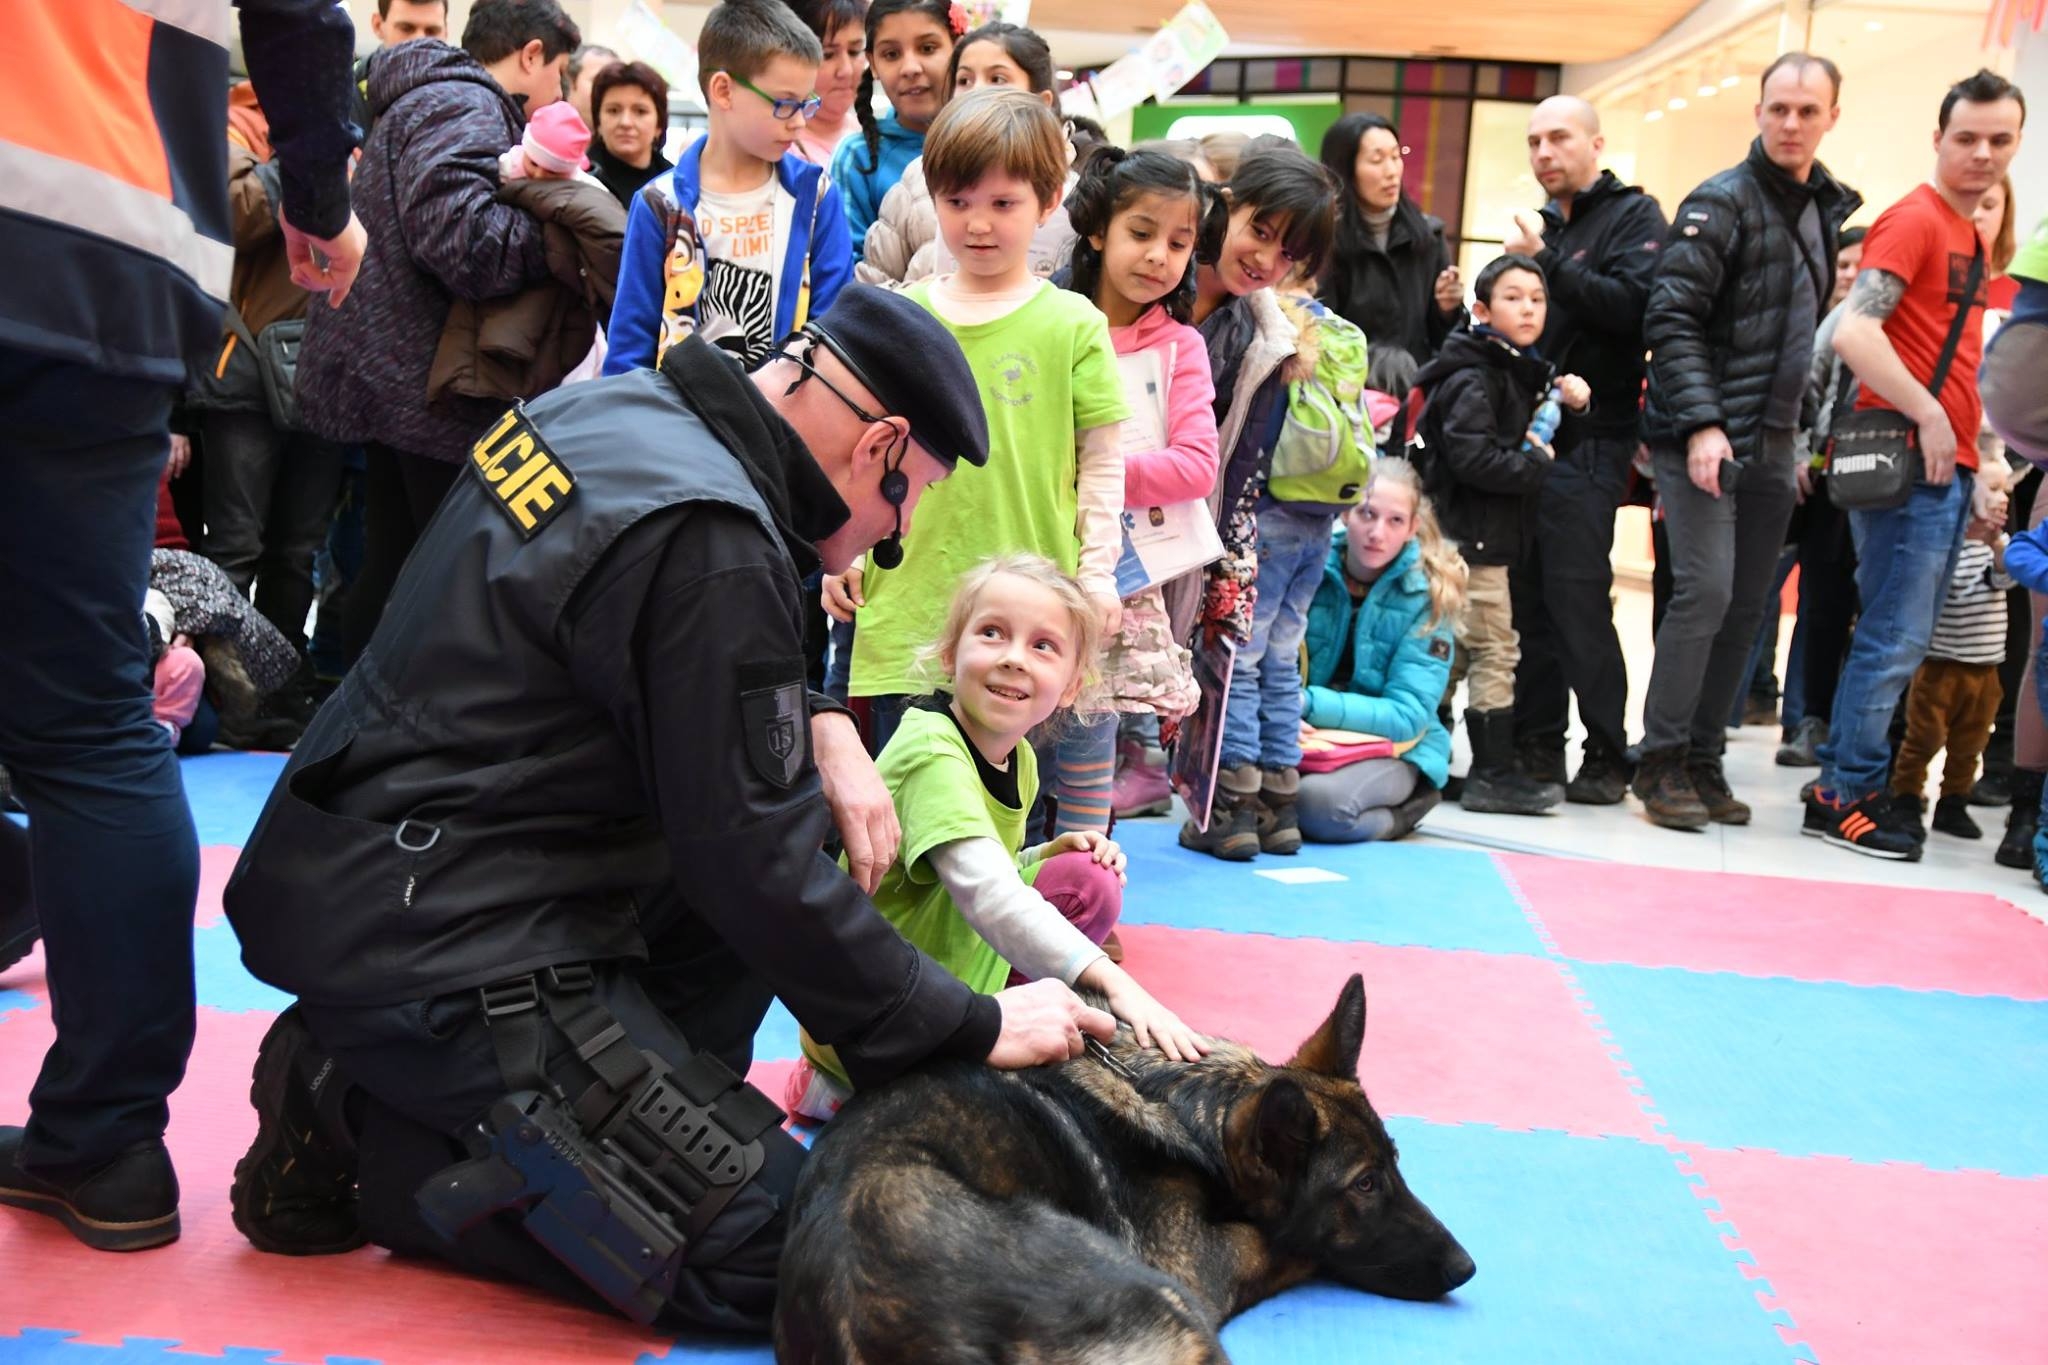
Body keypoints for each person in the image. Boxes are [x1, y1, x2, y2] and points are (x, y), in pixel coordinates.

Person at [219, 286, 1115, 1325]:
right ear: (879, 442)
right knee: (808, 1260)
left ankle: (560, 1097)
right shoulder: (712, 539)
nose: (888, 535)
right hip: (457, 944)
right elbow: (755, 867)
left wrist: (821, 712)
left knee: (796, 795)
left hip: (399, 865)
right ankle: (363, 1114)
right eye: (902, 504)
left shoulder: (613, 415)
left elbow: (673, 666)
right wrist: (963, 1022)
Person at [0, 0, 363, 1252]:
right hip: (116, 245)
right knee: (92, 723)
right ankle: (108, 1146)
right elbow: (301, 17)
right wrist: (318, 196)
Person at [787, 554, 1205, 1121]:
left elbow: (977, 867)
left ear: (1070, 685)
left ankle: (979, 1037)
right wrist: (1113, 982)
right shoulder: (933, 750)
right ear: (948, 653)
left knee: (1087, 878)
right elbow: (986, 893)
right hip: (870, 1025)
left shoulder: (1021, 760)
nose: (1013, 659)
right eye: (992, 634)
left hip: (946, 993)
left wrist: (1048, 853)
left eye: (1043, 646)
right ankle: (830, 1082)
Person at [826, 91, 1127, 758]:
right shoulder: (898, 316)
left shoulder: (1073, 324)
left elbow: (1102, 461)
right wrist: (838, 549)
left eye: (1002, 203)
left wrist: (1098, 575)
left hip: (1027, 622)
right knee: (899, 824)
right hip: (906, 603)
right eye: (958, 203)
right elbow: (857, 450)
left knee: (1007, 822)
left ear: (1049, 203)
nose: (978, 224)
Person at [300, 0, 582, 666]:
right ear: (533, 54)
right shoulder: (465, 105)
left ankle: (365, 738)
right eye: (562, 75)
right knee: (448, 570)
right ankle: (390, 739)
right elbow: (462, 240)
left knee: (397, 557)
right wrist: (557, 234)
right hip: (426, 377)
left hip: (400, 370)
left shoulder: (430, 97)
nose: (560, 97)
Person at [1631, 53, 1860, 831]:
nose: (1791, 123)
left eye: (1807, 110)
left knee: (1749, 605)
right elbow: (1671, 317)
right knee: (1708, 591)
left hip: (1774, 441)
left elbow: (1803, 335)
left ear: (1832, 115)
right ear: (1760, 113)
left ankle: (1701, 756)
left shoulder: (1819, 209)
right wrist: (1701, 424)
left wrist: (1795, 441)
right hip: (1705, 434)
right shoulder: (1722, 200)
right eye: (1779, 109)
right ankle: (1658, 761)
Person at [1811, 69, 2025, 860]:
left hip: (1942, 465)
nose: (1982, 153)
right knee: (1894, 637)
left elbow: (1953, 358)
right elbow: (1853, 334)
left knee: (1900, 633)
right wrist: (1933, 419)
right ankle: (1848, 793)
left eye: (1999, 140)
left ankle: (1843, 782)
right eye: (1966, 138)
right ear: (1938, 139)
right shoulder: (1916, 220)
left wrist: (1975, 465)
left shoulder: (1968, 231)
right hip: (1907, 456)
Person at [1174, 142, 1340, 860]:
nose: (1266, 260)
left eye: (1287, 253)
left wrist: (1227, 560)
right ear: (1228, 204)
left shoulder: (1264, 336)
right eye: (1260, 230)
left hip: (1186, 523)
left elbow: (1243, 461)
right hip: (1092, 500)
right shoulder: (1159, 270)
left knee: (1220, 660)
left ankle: (1225, 807)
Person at [1501, 97, 1668, 805]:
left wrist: (1546, 263)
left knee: (1575, 599)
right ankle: (1540, 744)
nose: (1544, 151)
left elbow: (1632, 308)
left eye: (1559, 137)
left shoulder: (1634, 216)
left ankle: (1606, 749)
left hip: (1595, 440)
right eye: (1534, 140)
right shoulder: (1543, 228)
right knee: (1527, 601)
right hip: (1526, 444)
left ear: (1596, 143)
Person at [1057, 148, 1219, 832]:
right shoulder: (1050, 318)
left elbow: (1195, 466)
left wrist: (1089, 472)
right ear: (1099, 231)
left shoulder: (1180, 346)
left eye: (1178, 243)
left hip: (1116, 570)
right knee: (1010, 714)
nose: (1159, 255)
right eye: (1142, 233)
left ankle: (1082, 891)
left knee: (1089, 727)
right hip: (1027, 548)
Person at [1412, 254, 1590, 816]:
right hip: (1471, 540)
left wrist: (1573, 413)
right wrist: (1534, 462)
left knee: (1453, 652)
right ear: (1483, 310)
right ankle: (1492, 772)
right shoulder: (1475, 374)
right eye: (1513, 297)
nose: (1529, 308)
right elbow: (1474, 458)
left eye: (1537, 298)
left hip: (1476, 537)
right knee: (1493, 651)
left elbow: (1541, 446)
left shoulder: (1518, 368)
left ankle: (1424, 762)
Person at [195, 79, 348, 732]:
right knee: (236, 547)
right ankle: (222, 701)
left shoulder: (352, 125)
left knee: (298, 551)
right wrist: (307, 158)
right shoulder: (232, 121)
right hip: (245, 373)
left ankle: (280, 697)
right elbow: (230, 211)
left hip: (325, 368)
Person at [605, 0, 852, 374]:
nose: (799, 123)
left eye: (807, 104)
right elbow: (629, 350)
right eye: (785, 104)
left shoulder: (815, 196)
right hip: (679, 422)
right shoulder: (660, 204)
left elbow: (835, 332)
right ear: (723, 90)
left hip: (783, 423)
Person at [1298, 458, 1467, 843]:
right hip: (1308, 734)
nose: (1377, 533)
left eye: (1394, 521)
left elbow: (1408, 715)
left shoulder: (1430, 595)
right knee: (1244, 792)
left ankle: (1405, 811)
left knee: (1319, 805)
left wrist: (1307, 704)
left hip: (1396, 748)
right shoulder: (1307, 567)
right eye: (1367, 514)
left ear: (1413, 528)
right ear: (1345, 513)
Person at [857, 22, 1079, 289]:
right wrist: (918, 303)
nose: (977, 90)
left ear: (1042, 101)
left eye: (997, 79)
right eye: (964, 80)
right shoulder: (918, 177)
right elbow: (874, 284)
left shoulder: (1077, 192)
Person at [429, 104, 626, 404]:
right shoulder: (508, 165)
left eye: (552, 171)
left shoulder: (584, 186)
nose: (538, 174)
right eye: (534, 163)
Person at [1774, 225, 1870, 769]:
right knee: (1822, 604)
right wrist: (1799, 453)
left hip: (1903, 482)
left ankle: (1860, 734)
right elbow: (1805, 384)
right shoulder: (1846, 318)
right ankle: (1807, 721)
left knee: (1877, 617)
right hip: (1837, 477)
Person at [1890, 507, 2013, 838]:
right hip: (1938, 666)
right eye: (1992, 494)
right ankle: (1905, 796)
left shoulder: (1997, 549)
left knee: (1970, 742)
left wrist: (1998, 544)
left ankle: (1954, 802)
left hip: (1985, 668)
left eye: (2004, 495)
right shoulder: (1945, 547)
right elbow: (1945, 585)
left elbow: (2006, 575)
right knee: (1923, 737)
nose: (2000, 503)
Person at [1316, 112, 1465, 363]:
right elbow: (1319, 332)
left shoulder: (1428, 236)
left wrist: (1448, 309)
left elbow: (1445, 340)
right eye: (1377, 160)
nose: (1391, 171)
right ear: (1345, 168)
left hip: (1412, 388)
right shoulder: (1324, 239)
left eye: (1396, 157)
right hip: (1345, 388)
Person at [830, 0, 964, 258]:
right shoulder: (858, 157)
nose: (910, 68)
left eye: (927, 48)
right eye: (891, 54)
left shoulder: (994, 144)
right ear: (874, 64)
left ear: (958, 49)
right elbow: (849, 269)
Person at [787, 0, 870, 164]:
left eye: (854, 52)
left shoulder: (874, 134)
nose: (846, 70)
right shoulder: (785, 154)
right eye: (828, 55)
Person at [353, 0, 452, 136]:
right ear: (378, 26)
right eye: (406, 28)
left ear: (446, 32)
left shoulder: (466, 98)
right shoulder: (344, 92)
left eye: (432, 31)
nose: (419, 41)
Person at [587, 60, 674, 208]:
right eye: (613, 110)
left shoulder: (676, 185)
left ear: (659, 124)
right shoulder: (582, 179)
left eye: (640, 111)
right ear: (598, 122)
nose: (625, 123)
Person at [565, 43, 620, 131]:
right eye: (599, 81)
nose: (609, 91)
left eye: (616, 84)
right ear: (572, 81)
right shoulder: (543, 132)